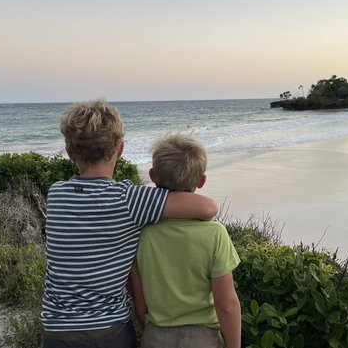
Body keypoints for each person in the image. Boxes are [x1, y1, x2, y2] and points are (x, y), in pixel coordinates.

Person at [41, 101, 218, 348]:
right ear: (121, 149)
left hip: (56, 330)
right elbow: (207, 208)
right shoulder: (129, 199)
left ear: (70, 153)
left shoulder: (57, 193)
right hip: (109, 330)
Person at [129, 133, 241, 348]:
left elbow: (138, 297)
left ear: (152, 175)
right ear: (201, 181)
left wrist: (146, 329)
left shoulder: (141, 232)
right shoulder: (215, 234)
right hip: (203, 338)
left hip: (156, 335)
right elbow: (226, 304)